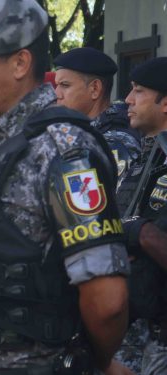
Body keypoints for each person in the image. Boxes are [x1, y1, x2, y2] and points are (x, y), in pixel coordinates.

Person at [0, 1, 130, 373]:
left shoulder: (64, 148)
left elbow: (107, 300)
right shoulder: (5, 142)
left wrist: (101, 362)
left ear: (20, 63)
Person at [119, 57, 167, 375]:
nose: (128, 100)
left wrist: (137, 232)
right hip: (136, 322)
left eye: (138, 91)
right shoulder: (147, 154)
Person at [53, 47, 142, 178]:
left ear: (95, 89)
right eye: (57, 85)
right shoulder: (84, 133)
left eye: (65, 85)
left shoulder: (113, 144)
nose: (56, 94)